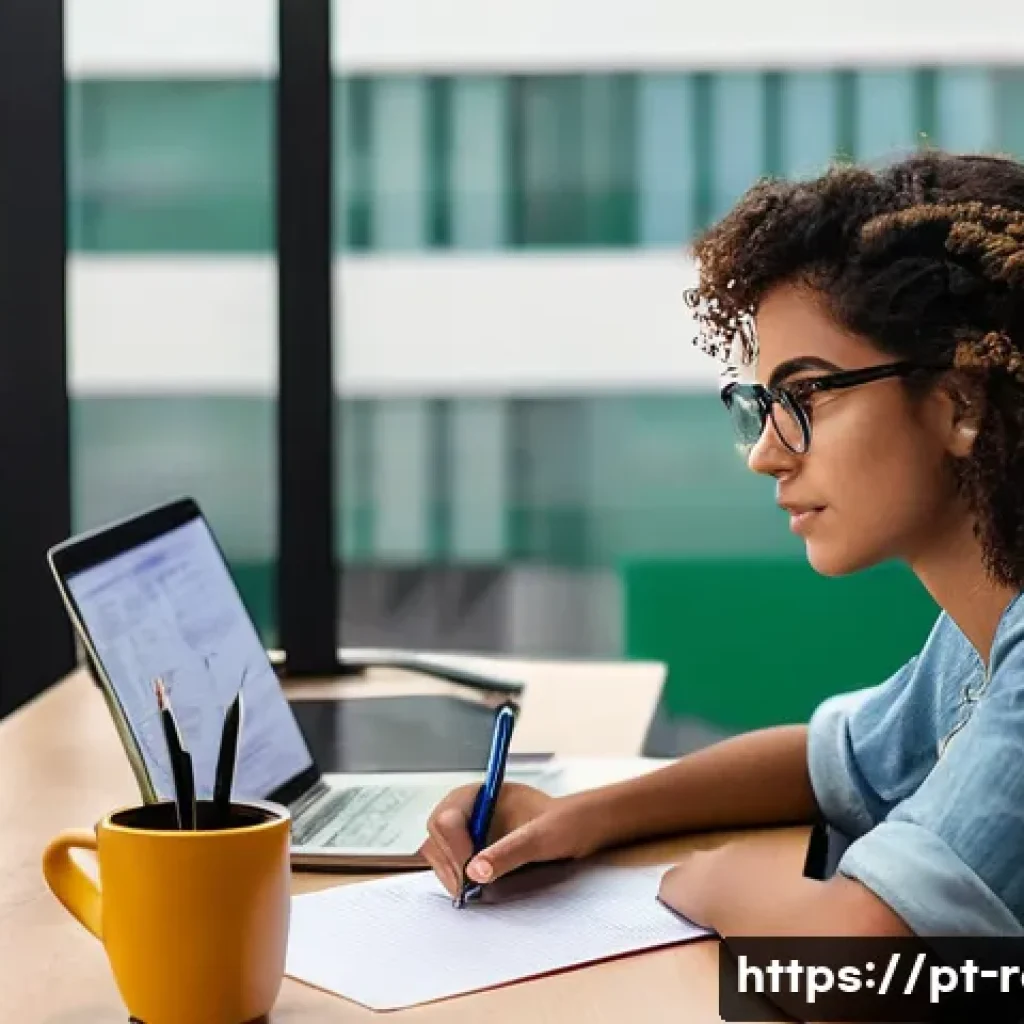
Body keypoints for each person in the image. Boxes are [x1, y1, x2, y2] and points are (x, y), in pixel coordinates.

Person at [419, 150, 1024, 939]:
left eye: (804, 394)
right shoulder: (976, 638)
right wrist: (582, 816)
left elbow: (853, 962)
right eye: (761, 404)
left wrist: (708, 881)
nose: (766, 452)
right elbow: (826, 764)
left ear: (958, 403)